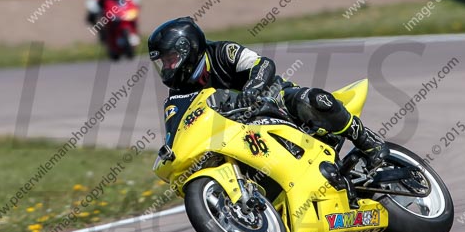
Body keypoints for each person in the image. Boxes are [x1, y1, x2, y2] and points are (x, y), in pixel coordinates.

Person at [147, 17, 388, 170]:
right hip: (238, 131)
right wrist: (171, 151)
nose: (167, 67)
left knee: (312, 99)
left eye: (171, 59)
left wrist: (252, 90)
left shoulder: (222, 52)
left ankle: (367, 140)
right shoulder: (178, 93)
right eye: (163, 63)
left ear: (188, 49)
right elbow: (176, 129)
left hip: (273, 100)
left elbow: (262, 64)